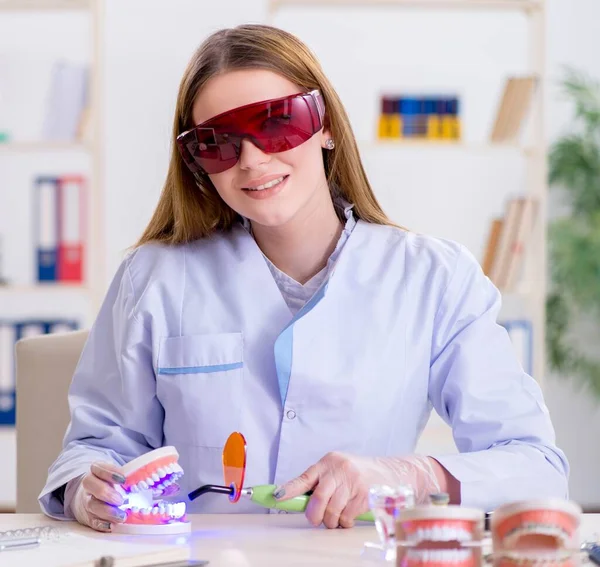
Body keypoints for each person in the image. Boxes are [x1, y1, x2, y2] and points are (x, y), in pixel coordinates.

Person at [39, 23, 568, 533]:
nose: (251, 160)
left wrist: (410, 474)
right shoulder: (153, 277)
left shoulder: (434, 278)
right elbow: (97, 447)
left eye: (274, 122)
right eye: (218, 143)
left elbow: (536, 464)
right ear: (198, 163)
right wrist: (87, 490)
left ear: (327, 125)